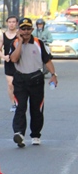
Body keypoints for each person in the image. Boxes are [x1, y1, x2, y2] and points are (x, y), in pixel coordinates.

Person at [10, 17, 58, 147]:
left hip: (36, 78)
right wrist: (20, 42)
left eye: (28, 29)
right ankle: (19, 133)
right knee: (20, 107)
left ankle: (36, 134)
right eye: (23, 29)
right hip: (20, 80)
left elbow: (47, 60)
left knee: (36, 109)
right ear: (19, 30)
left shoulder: (39, 42)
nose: (25, 32)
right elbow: (14, 59)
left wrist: (53, 75)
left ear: (32, 29)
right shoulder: (14, 43)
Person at [0, 15, 19, 111]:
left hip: (19, 63)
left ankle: (20, 102)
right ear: (7, 23)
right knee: (10, 84)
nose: (11, 24)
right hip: (8, 62)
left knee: (19, 84)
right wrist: (3, 57)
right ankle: (13, 103)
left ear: (17, 23)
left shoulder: (20, 35)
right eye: (10, 22)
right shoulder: (3, 35)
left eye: (13, 22)